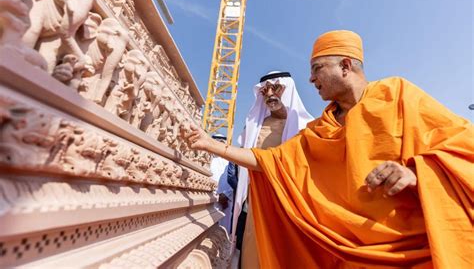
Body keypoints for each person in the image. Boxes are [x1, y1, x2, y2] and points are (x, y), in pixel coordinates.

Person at [184, 30, 473, 268]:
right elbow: (269, 161)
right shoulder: (320, 128)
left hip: (412, 250)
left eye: (317, 68)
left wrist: (416, 173)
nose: (311, 78)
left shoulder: (397, 94)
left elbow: (463, 147)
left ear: (346, 66)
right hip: (343, 252)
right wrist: (211, 145)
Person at [233, 71, 313, 268]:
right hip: (258, 201)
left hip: (293, 203)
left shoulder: (308, 127)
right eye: (265, 90)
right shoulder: (255, 127)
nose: (269, 94)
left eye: (275, 88)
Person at [209, 134, 234, 234]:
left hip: (225, 199)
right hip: (210, 197)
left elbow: (233, 178)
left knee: (223, 228)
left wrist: (226, 195)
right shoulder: (209, 159)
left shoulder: (229, 160)